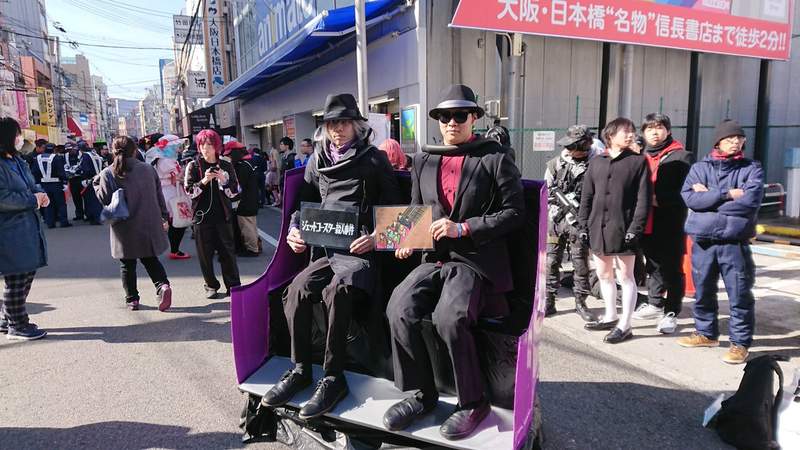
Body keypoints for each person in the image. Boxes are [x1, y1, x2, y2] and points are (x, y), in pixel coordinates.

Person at [383, 84, 524, 440]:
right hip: (434, 258)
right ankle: (422, 393)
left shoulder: (494, 157)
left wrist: (464, 228)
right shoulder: (423, 159)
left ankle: (473, 402)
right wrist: (406, 238)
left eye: (460, 115)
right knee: (398, 308)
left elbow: (515, 213)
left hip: (475, 259)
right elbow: (417, 209)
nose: (451, 122)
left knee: (450, 318)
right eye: (445, 116)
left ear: (474, 117)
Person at [261, 93, 401, 420]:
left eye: (344, 122)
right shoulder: (317, 160)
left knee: (337, 291)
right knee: (296, 289)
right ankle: (300, 369)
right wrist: (294, 230)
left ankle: (333, 378)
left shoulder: (374, 159)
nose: (338, 129)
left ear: (357, 125)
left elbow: (397, 212)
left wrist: (375, 238)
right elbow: (302, 205)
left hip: (361, 254)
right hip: (325, 250)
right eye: (332, 123)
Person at [677, 120, 763, 365]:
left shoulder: (752, 168)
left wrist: (709, 197)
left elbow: (749, 202)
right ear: (718, 142)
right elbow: (690, 199)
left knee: (739, 293)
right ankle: (705, 333)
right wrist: (726, 194)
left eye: (739, 138)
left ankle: (740, 343)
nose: (735, 142)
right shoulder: (699, 168)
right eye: (729, 138)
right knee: (703, 289)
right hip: (703, 240)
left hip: (733, 241)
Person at [579, 117, 650, 344]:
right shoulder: (597, 162)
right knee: (603, 274)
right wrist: (583, 224)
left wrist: (635, 227)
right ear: (610, 135)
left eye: (632, 131)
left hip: (624, 226)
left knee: (626, 276)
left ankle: (625, 324)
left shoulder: (638, 162)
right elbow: (587, 196)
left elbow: (643, 200)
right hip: (597, 226)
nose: (630, 135)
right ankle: (610, 315)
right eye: (625, 131)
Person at [94, 136, 173, 312]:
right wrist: (164, 216)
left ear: (113, 151)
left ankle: (132, 299)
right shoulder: (148, 169)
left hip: (123, 226)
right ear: (135, 150)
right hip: (148, 221)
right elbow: (159, 195)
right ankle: (162, 285)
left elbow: (105, 199)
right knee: (150, 259)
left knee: (127, 265)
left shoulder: (108, 172)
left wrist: (96, 185)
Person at [631, 113, 694, 334]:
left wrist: (657, 199)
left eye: (659, 128)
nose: (654, 133)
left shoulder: (682, 156)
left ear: (668, 130)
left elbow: (687, 191)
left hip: (670, 221)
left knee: (672, 267)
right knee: (653, 263)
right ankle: (655, 303)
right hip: (646, 220)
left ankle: (672, 311)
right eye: (649, 129)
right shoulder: (641, 157)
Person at [0, 117, 49, 340]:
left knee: (26, 272)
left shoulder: (17, 160)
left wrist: (40, 194)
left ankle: (7, 318)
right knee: (16, 277)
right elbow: (3, 198)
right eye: (17, 134)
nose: (20, 138)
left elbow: (31, 184)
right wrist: (32, 200)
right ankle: (17, 325)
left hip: (27, 226)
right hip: (9, 230)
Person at [544, 125, 597, 322]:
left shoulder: (596, 165)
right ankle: (548, 301)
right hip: (556, 220)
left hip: (580, 222)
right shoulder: (555, 164)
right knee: (550, 261)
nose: (567, 149)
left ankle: (580, 303)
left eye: (572, 145)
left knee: (580, 262)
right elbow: (546, 190)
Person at [184, 129, 241, 299]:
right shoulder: (193, 165)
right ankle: (210, 285)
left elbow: (235, 192)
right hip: (202, 217)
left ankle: (233, 285)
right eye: (202, 145)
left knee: (227, 253)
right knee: (205, 255)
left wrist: (223, 180)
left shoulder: (226, 165)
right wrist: (204, 181)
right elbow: (189, 192)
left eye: (209, 145)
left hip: (223, 216)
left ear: (216, 146)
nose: (205, 149)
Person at [147, 135, 191, 260]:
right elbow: (174, 178)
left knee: (176, 221)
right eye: (175, 146)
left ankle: (174, 249)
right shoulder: (164, 160)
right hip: (171, 192)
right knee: (177, 221)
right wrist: (185, 173)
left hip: (173, 191)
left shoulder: (165, 159)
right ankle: (174, 250)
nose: (178, 148)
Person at [224, 140, 260, 257]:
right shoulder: (248, 162)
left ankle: (252, 249)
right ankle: (255, 246)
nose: (229, 157)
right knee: (251, 225)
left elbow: (239, 186)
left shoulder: (242, 166)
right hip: (251, 198)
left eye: (230, 154)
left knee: (247, 226)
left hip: (246, 200)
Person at [30, 143, 71, 228]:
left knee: (48, 204)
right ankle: (64, 222)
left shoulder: (38, 158)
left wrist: (37, 183)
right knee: (61, 204)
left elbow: (34, 172)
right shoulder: (57, 158)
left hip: (44, 184)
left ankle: (50, 223)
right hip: (56, 183)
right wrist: (64, 181)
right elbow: (61, 171)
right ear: (53, 149)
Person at [75, 140, 104, 225]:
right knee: (97, 199)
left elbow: (86, 169)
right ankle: (96, 216)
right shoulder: (95, 154)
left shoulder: (85, 156)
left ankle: (95, 218)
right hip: (98, 178)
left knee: (91, 199)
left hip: (90, 180)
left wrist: (82, 176)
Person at [65, 142, 85, 221]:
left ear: (75, 148)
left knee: (86, 197)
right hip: (72, 179)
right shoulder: (66, 156)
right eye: (68, 150)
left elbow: (82, 165)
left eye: (71, 149)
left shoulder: (81, 154)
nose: (69, 151)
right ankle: (79, 214)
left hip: (82, 178)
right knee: (76, 197)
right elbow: (65, 166)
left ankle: (88, 214)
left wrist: (75, 169)